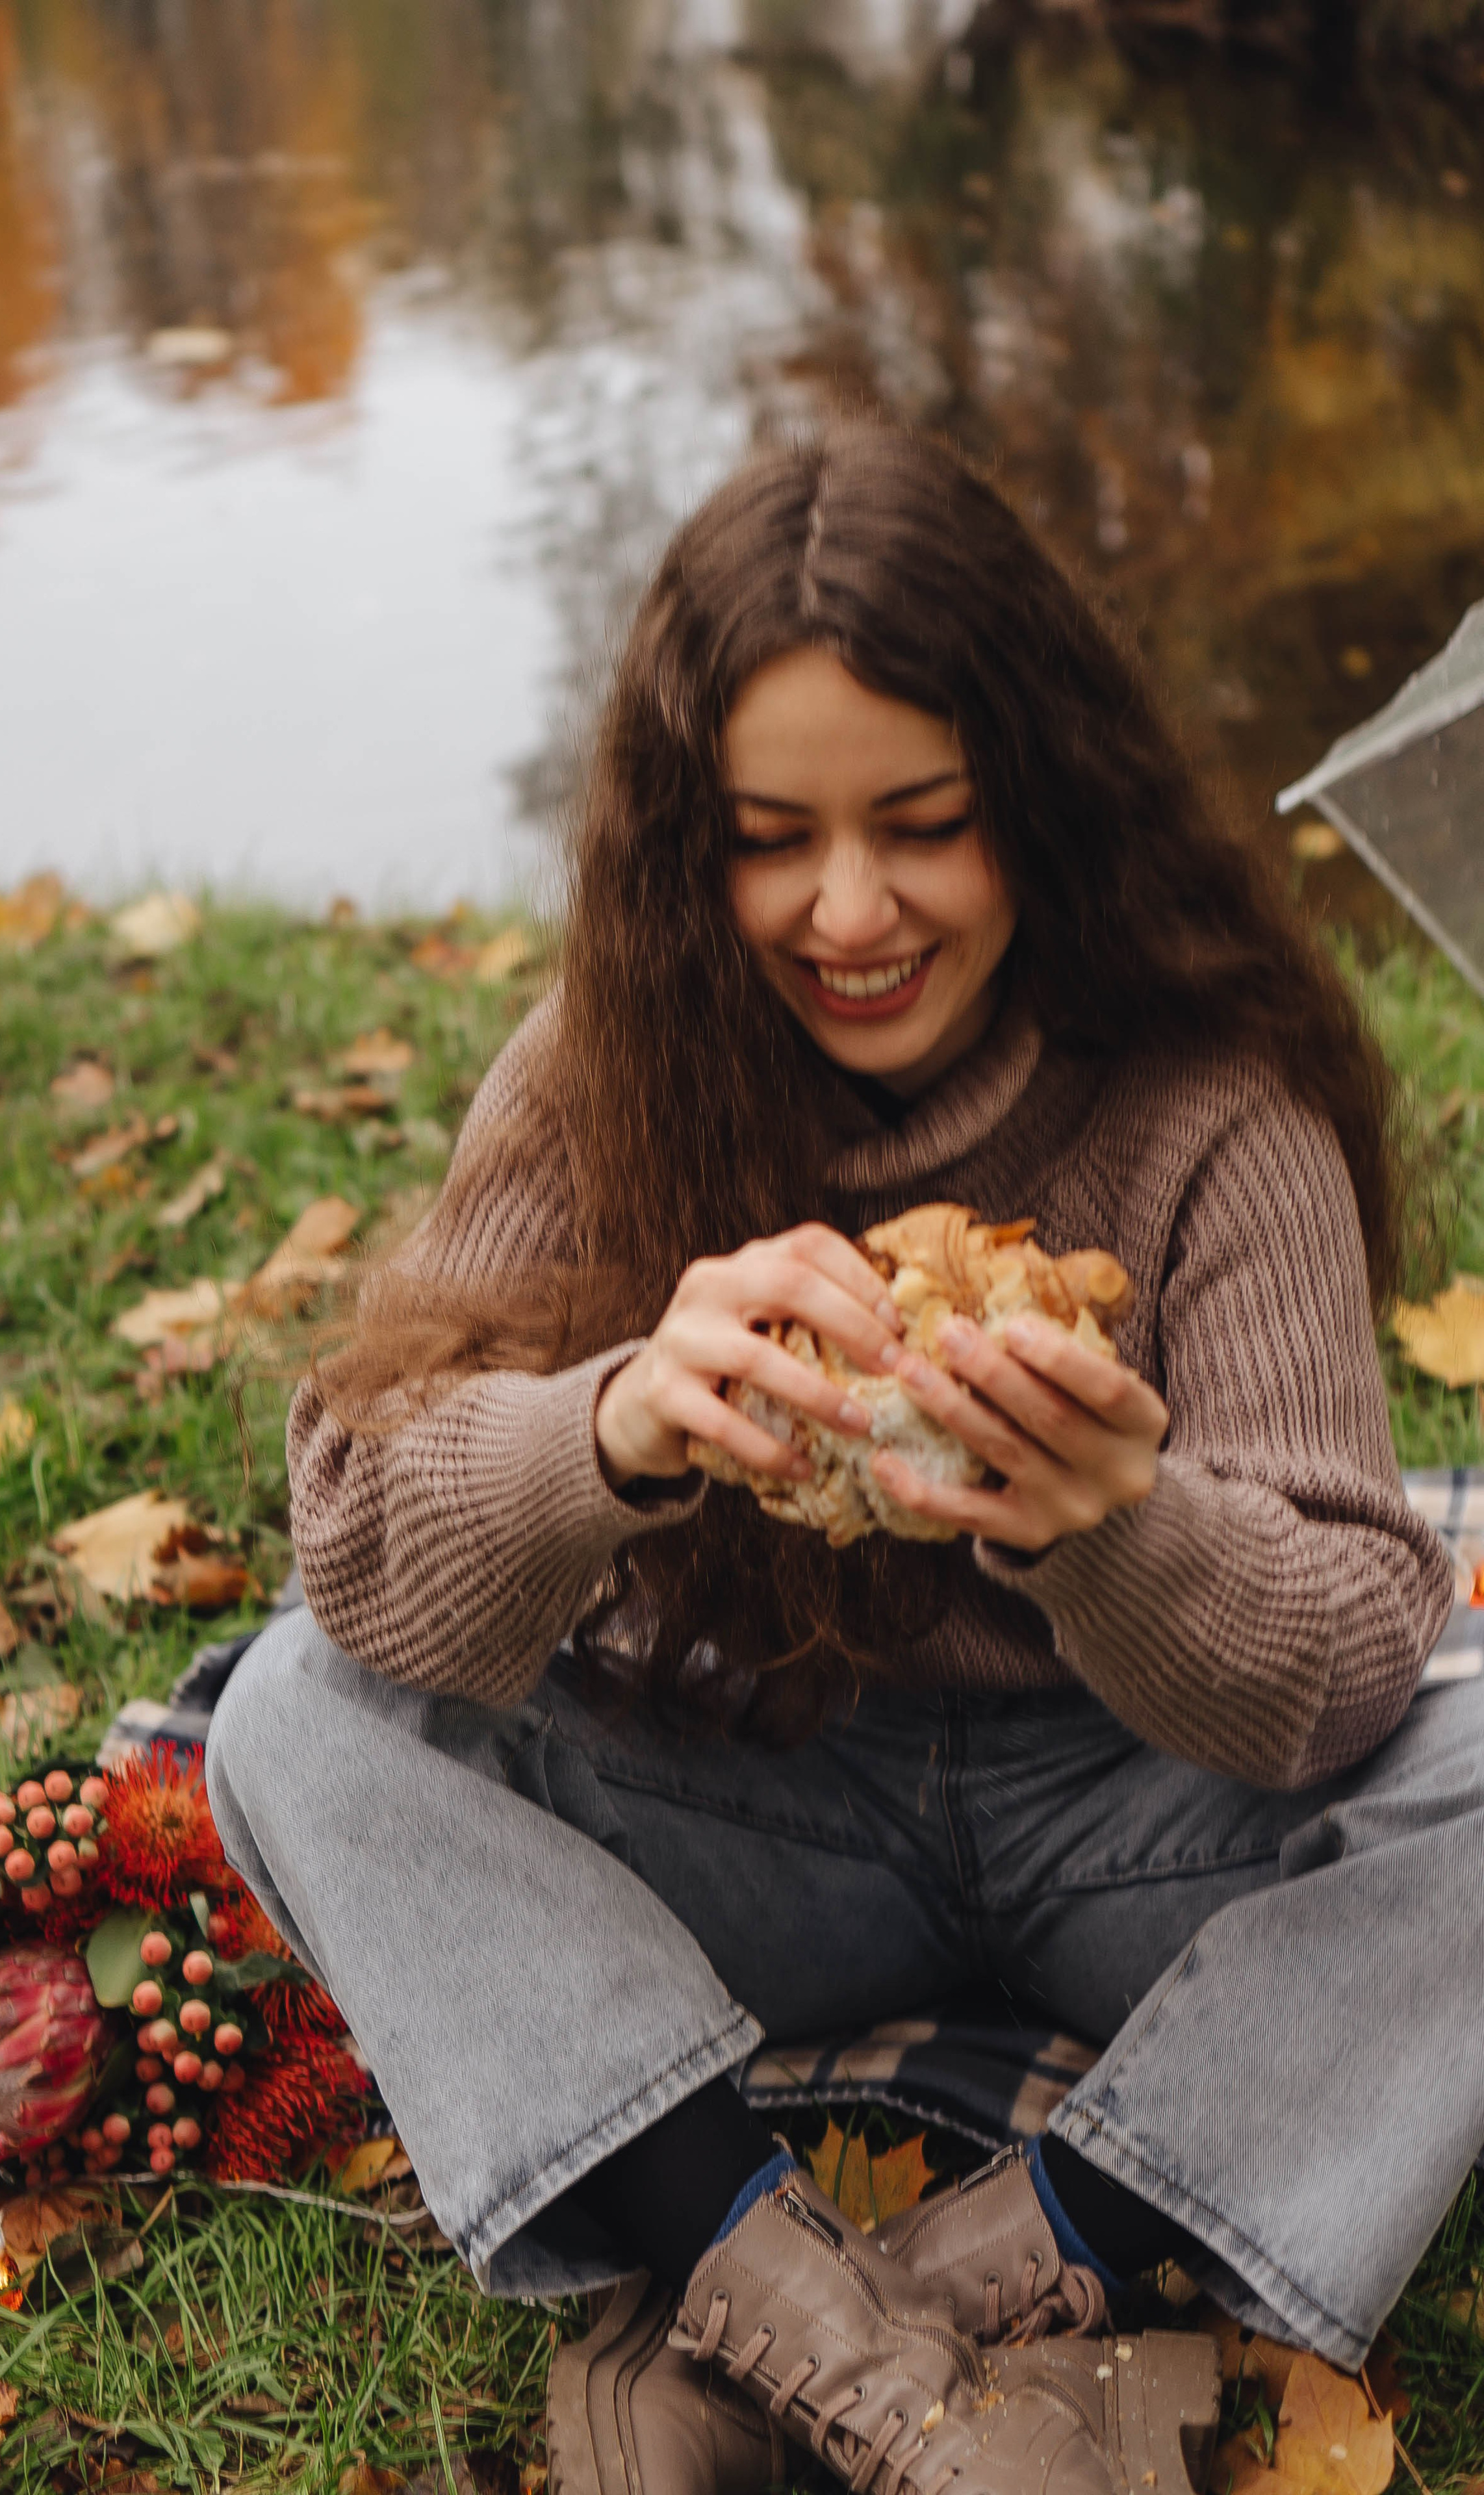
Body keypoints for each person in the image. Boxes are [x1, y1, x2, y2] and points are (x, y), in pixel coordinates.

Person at [206, 425, 1480, 2495]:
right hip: (752, 1810)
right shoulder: (606, 1068)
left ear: (1040, 805)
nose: (850, 908)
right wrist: (608, 1430)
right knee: (295, 1709)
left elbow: (1340, 1670)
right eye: (771, 836)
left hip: (1131, 1828)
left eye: (926, 823)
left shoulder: (1213, 1103)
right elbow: (358, 1535)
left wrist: (1124, 1536)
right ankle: (771, 2284)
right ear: (681, 846)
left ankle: (1014, 2270)